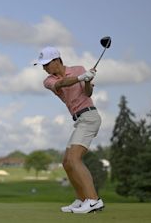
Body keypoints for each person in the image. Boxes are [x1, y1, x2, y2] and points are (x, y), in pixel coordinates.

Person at [35, 46, 104, 214]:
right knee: (66, 163)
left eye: (47, 64)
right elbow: (62, 83)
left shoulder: (78, 69)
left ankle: (93, 200)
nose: (44, 68)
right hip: (80, 120)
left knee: (74, 159)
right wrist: (82, 77)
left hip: (89, 117)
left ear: (57, 60)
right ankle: (82, 200)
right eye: (43, 65)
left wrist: (87, 80)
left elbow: (87, 94)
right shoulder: (49, 81)